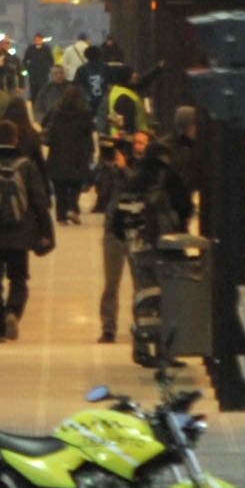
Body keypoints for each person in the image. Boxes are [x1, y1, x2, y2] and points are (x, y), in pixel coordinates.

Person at [0, 107, 53, 340]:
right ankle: (13, 312)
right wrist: (45, 232)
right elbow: (39, 202)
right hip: (20, 233)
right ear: (16, 139)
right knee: (18, 279)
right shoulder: (26, 166)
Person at [96, 130, 157, 342]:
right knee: (111, 282)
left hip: (137, 230)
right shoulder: (119, 167)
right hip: (115, 230)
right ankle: (108, 328)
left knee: (139, 281)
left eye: (142, 143)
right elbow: (101, 192)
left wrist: (123, 170)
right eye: (136, 143)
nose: (138, 147)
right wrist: (108, 167)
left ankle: (141, 323)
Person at [41, 74, 95, 227]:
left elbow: (45, 125)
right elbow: (89, 132)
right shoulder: (84, 114)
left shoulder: (56, 113)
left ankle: (61, 216)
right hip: (78, 156)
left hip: (57, 155)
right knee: (75, 184)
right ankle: (72, 207)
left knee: (59, 188)